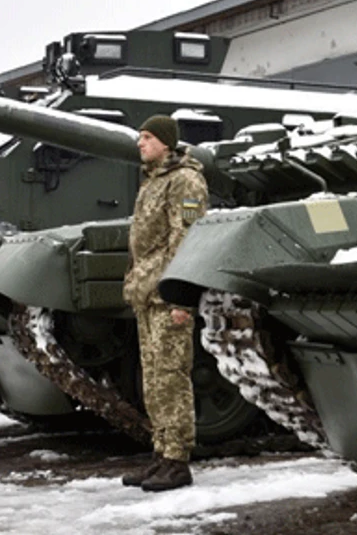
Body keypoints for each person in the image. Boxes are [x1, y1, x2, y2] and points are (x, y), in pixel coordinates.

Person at [121, 115, 208, 492]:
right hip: (148, 293)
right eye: (140, 136)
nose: (140, 143)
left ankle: (177, 460)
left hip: (169, 294)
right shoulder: (154, 180)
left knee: (172, 376)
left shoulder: (185, 181)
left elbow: (187, 240)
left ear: (166, 142)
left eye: (147, 137)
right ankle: (161, 452)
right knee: (155, 378)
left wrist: (181, 297)